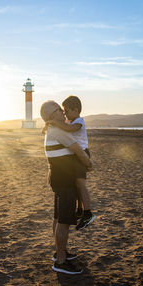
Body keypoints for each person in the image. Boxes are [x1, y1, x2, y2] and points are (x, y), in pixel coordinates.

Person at [40, 100, 92, 275]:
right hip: (64, 181)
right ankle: (61, 262)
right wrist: (89, 165)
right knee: (64, 222)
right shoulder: (57, 130)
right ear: (50, 115)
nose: (62, 112)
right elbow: (79, 151)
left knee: (58, 217)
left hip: (58, 179)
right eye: (58, 110)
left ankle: (59, 252)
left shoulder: (52, 130)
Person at [46, 96, 96, 230]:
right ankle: (80, 210)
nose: (64, 113)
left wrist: (55, 123)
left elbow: (69, 129)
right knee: (76, 184)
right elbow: (63, 128)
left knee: (80, 183)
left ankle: (88, 212)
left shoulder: (79, 121)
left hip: (82, 154)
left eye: (66, 110)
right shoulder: (69, 120)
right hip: (75, 156)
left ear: (76, 110)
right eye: (63, 111)